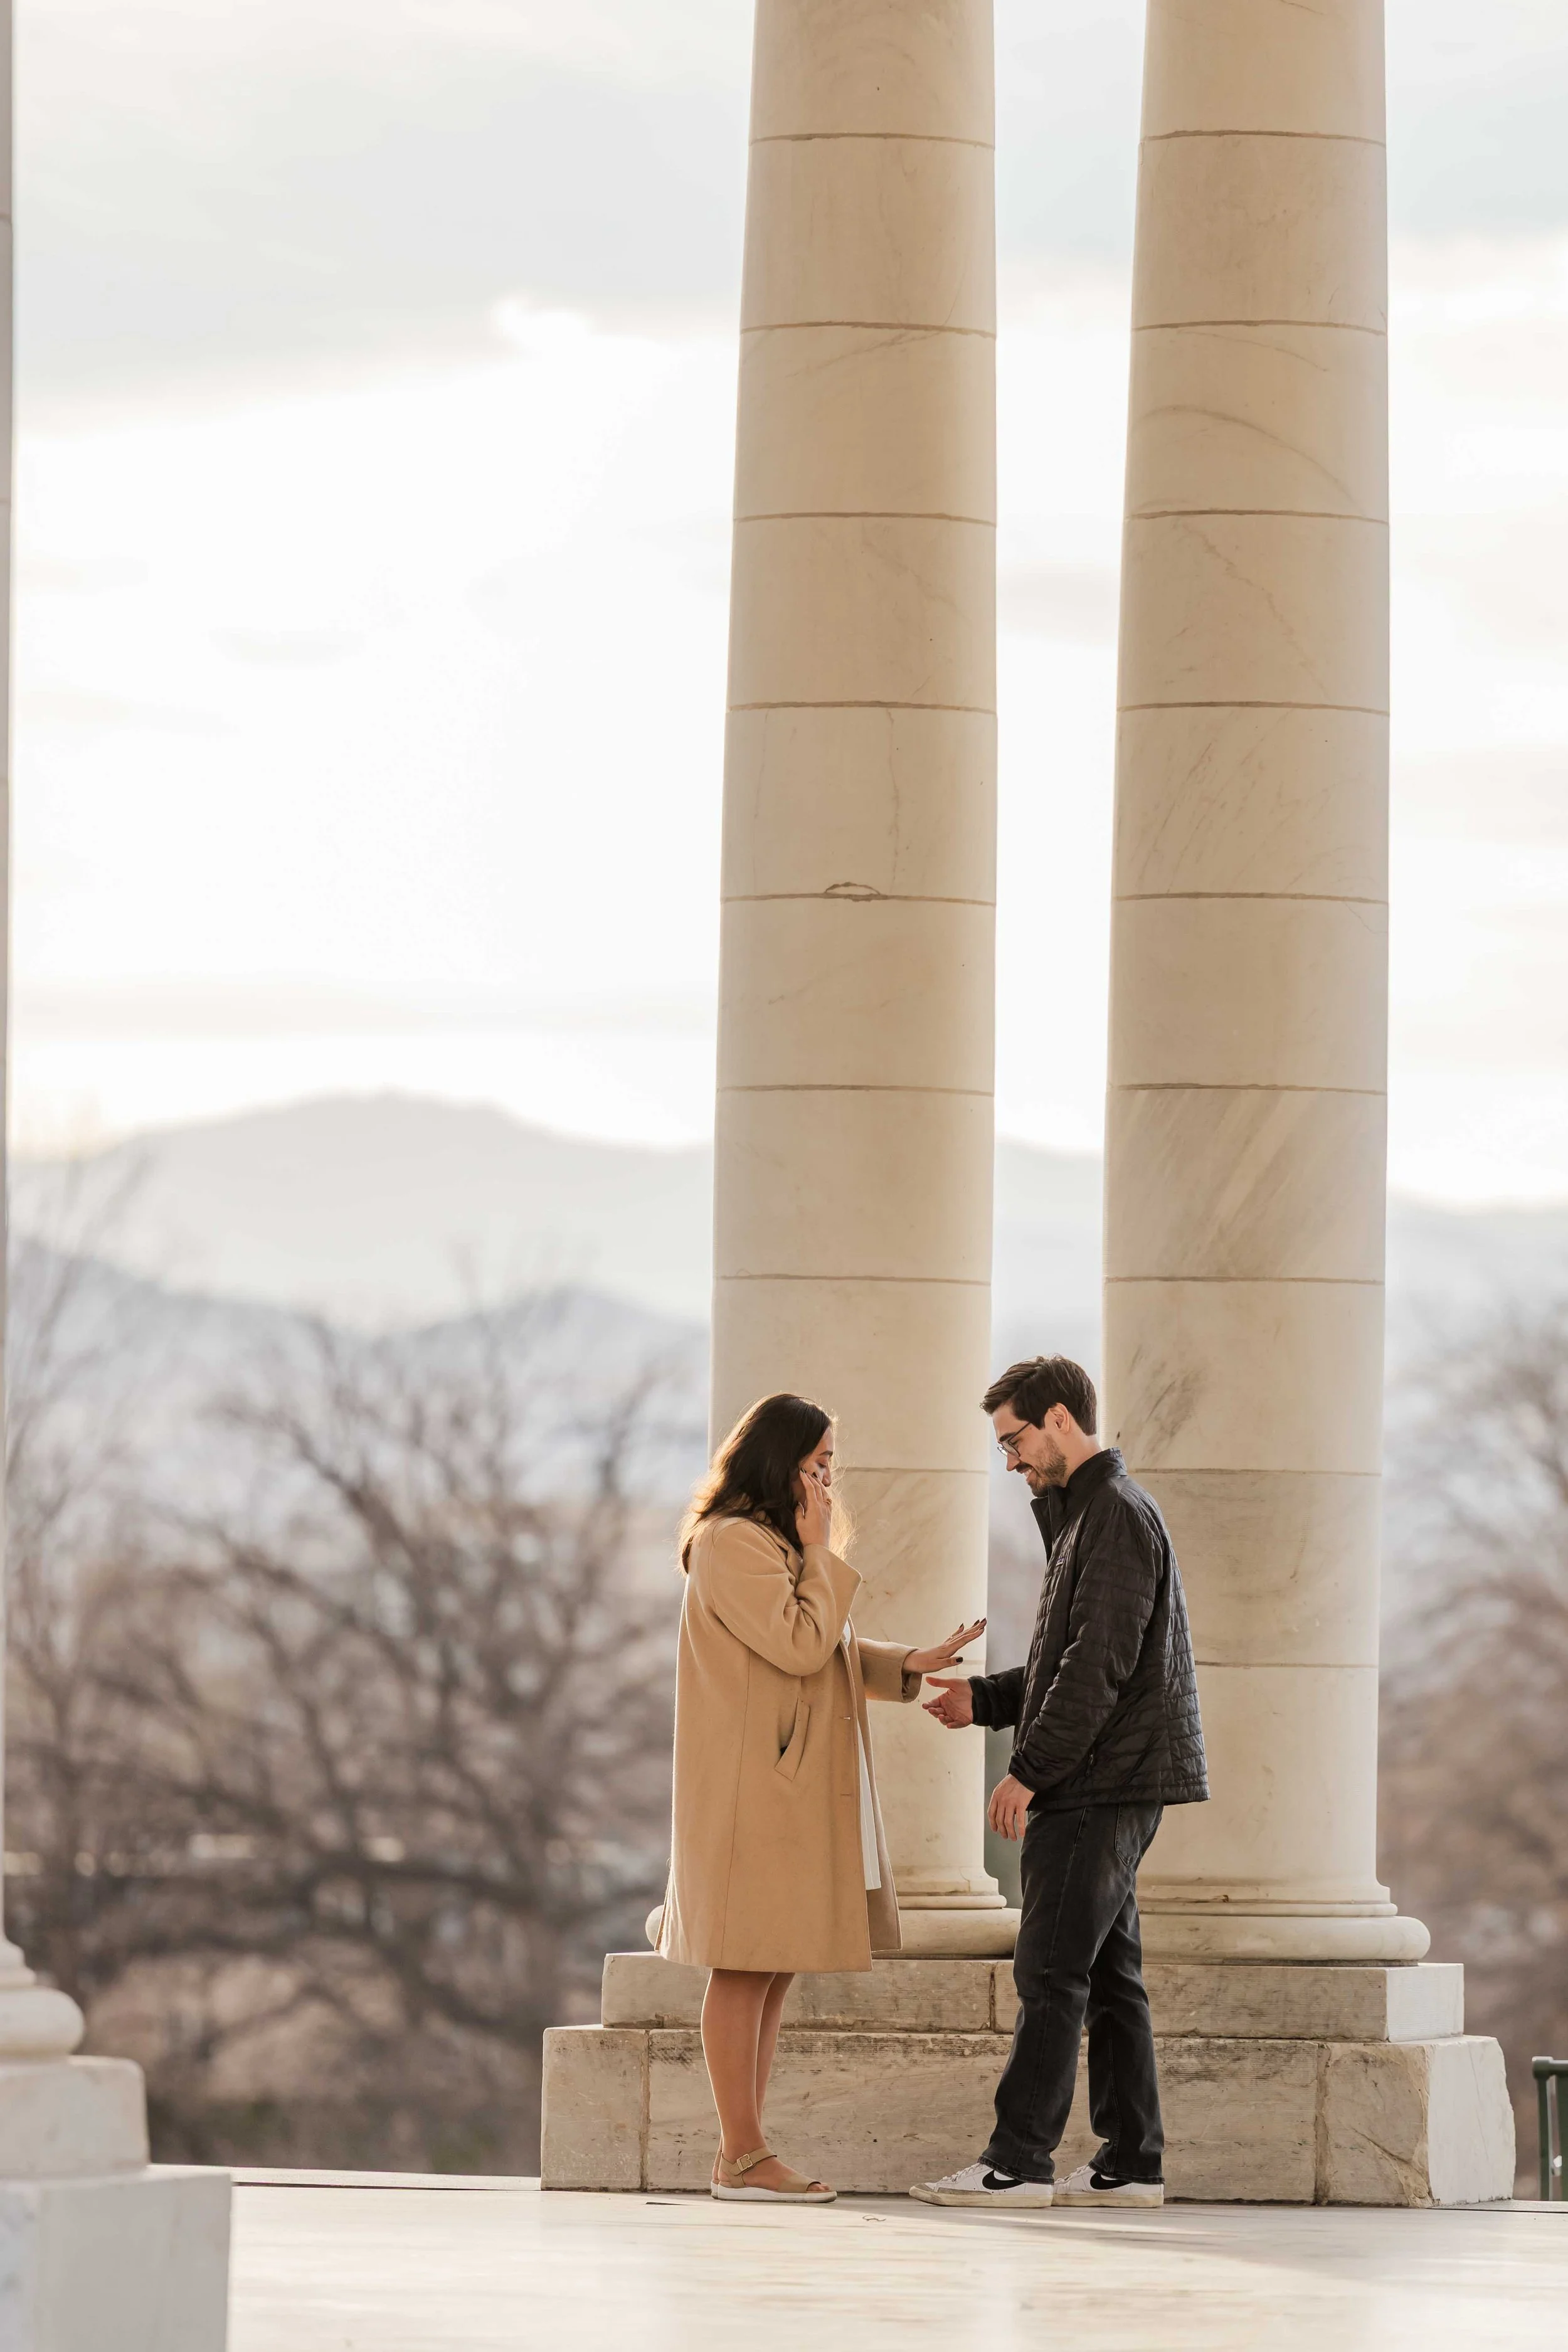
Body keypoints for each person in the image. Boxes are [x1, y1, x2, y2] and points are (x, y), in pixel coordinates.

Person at [656, 1391, 983, 2205]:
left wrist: (906, 1661)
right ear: (780, 1463)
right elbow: (801, 1643)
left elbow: (819, 1639)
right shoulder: (733, 1542)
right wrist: (816, 1549)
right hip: (752, 1793)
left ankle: (743, 2152)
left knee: (770, 1967)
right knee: (744, 1967)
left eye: (831, 1465)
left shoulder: (766, 1543)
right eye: (817, 1464)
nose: (828, 1482)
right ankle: (742, 2154)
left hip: (777, 1789)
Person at [911, 1355, 1207, 2211]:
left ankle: (1017, 2163)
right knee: (1110, 1979)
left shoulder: (1113, 1514)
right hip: (1107, 1777)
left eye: (1014, 1441)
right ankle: (1131, 2162)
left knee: (1049, 1972)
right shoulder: (1088, 1516)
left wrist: (1027, 1772)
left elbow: (1096, 1666)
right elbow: (1064, 1661)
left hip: (1095, 1784)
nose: (1009, 1461)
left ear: (1059, 1420)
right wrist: (985, 1700)